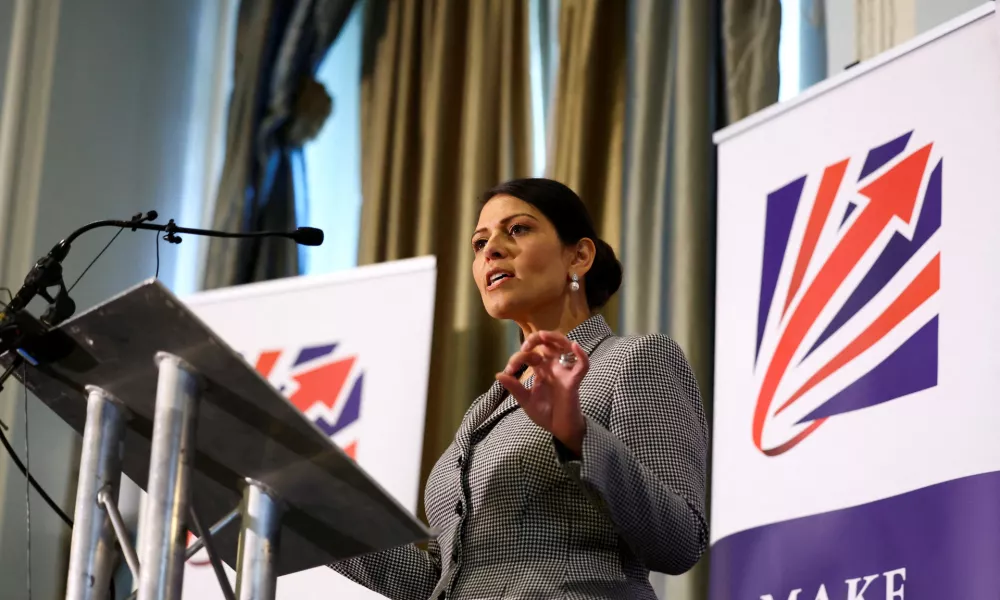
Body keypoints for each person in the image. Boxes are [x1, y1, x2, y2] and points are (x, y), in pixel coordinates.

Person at [329, 178, 708, 599]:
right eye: (479, 242)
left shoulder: (633, 359)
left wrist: (577, 436)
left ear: (579, 256)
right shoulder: (484, 410)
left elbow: (681, 540)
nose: (491, 249)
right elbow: (442, 582)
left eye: (518, 230)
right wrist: (320, 511)